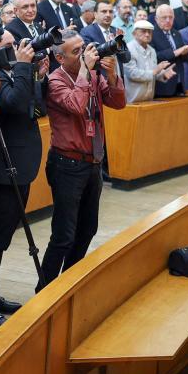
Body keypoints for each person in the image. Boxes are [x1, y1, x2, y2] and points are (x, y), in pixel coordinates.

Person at [39, 30, 125, 289]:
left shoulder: (95, 75)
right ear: (59, 57)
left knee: (87, 230)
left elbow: (118, 103)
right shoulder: (55, 80)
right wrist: (86, 72)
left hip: (93, 163)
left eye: (83, 47)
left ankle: (67, 285)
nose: (85, 53)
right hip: (67, 164)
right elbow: (76, 105)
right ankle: (44, 289)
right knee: (64, 235)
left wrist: (110, 74)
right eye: (76, 51)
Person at [0, 24, 40, 332]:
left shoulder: (15, 71)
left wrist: (33, 71)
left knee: (1, 240)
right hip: (3, 170)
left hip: (19, 165)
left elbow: (34, 105)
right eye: (11, 44)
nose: (18, 49)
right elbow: (12, 105)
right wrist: (26, 68)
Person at [123, 20, 169, 103]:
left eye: (150, 32)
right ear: (134, 33)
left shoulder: (152, 50)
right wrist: (155, 71)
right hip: (132, 101)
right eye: (143, 31)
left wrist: (164, 74)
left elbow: (153, 73)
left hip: (149, 99)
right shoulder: (128, 49)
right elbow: (132, 74)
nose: (147, 34)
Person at [150, 4, 188, 98]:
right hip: (162, 85)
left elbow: (182, 57)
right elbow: (153, 56)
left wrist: (185, 53)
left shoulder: (176, 33)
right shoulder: (151, 34)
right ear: (156, 19)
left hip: (178, 84)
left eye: (170, 17)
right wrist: (175, 53)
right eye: (164, 17)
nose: (168, 20)